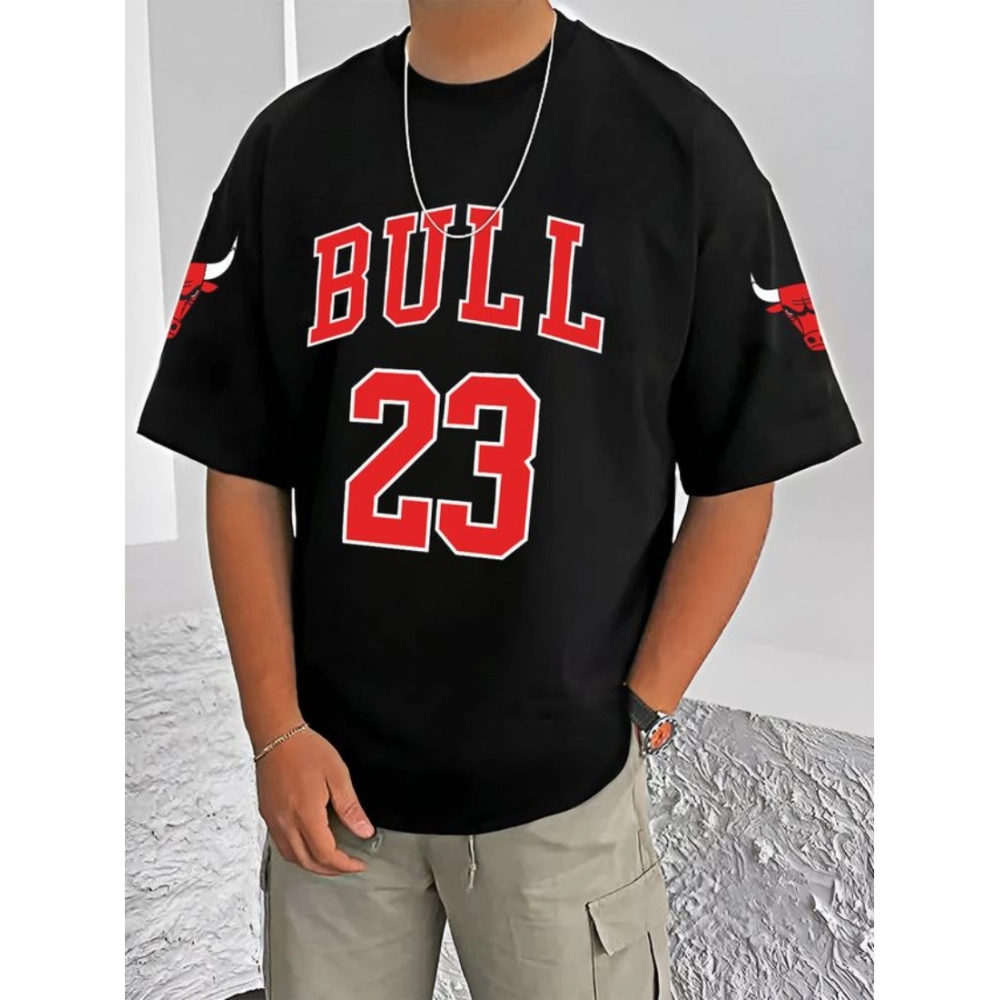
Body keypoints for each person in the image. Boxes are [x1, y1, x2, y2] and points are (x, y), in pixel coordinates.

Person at [137, 2, 861, 997]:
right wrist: (276, 729)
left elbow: (744, 464)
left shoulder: (675, 144)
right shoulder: (293, 147)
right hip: (331, 781)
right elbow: (241, 461)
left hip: (563, 795)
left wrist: (646, 699)